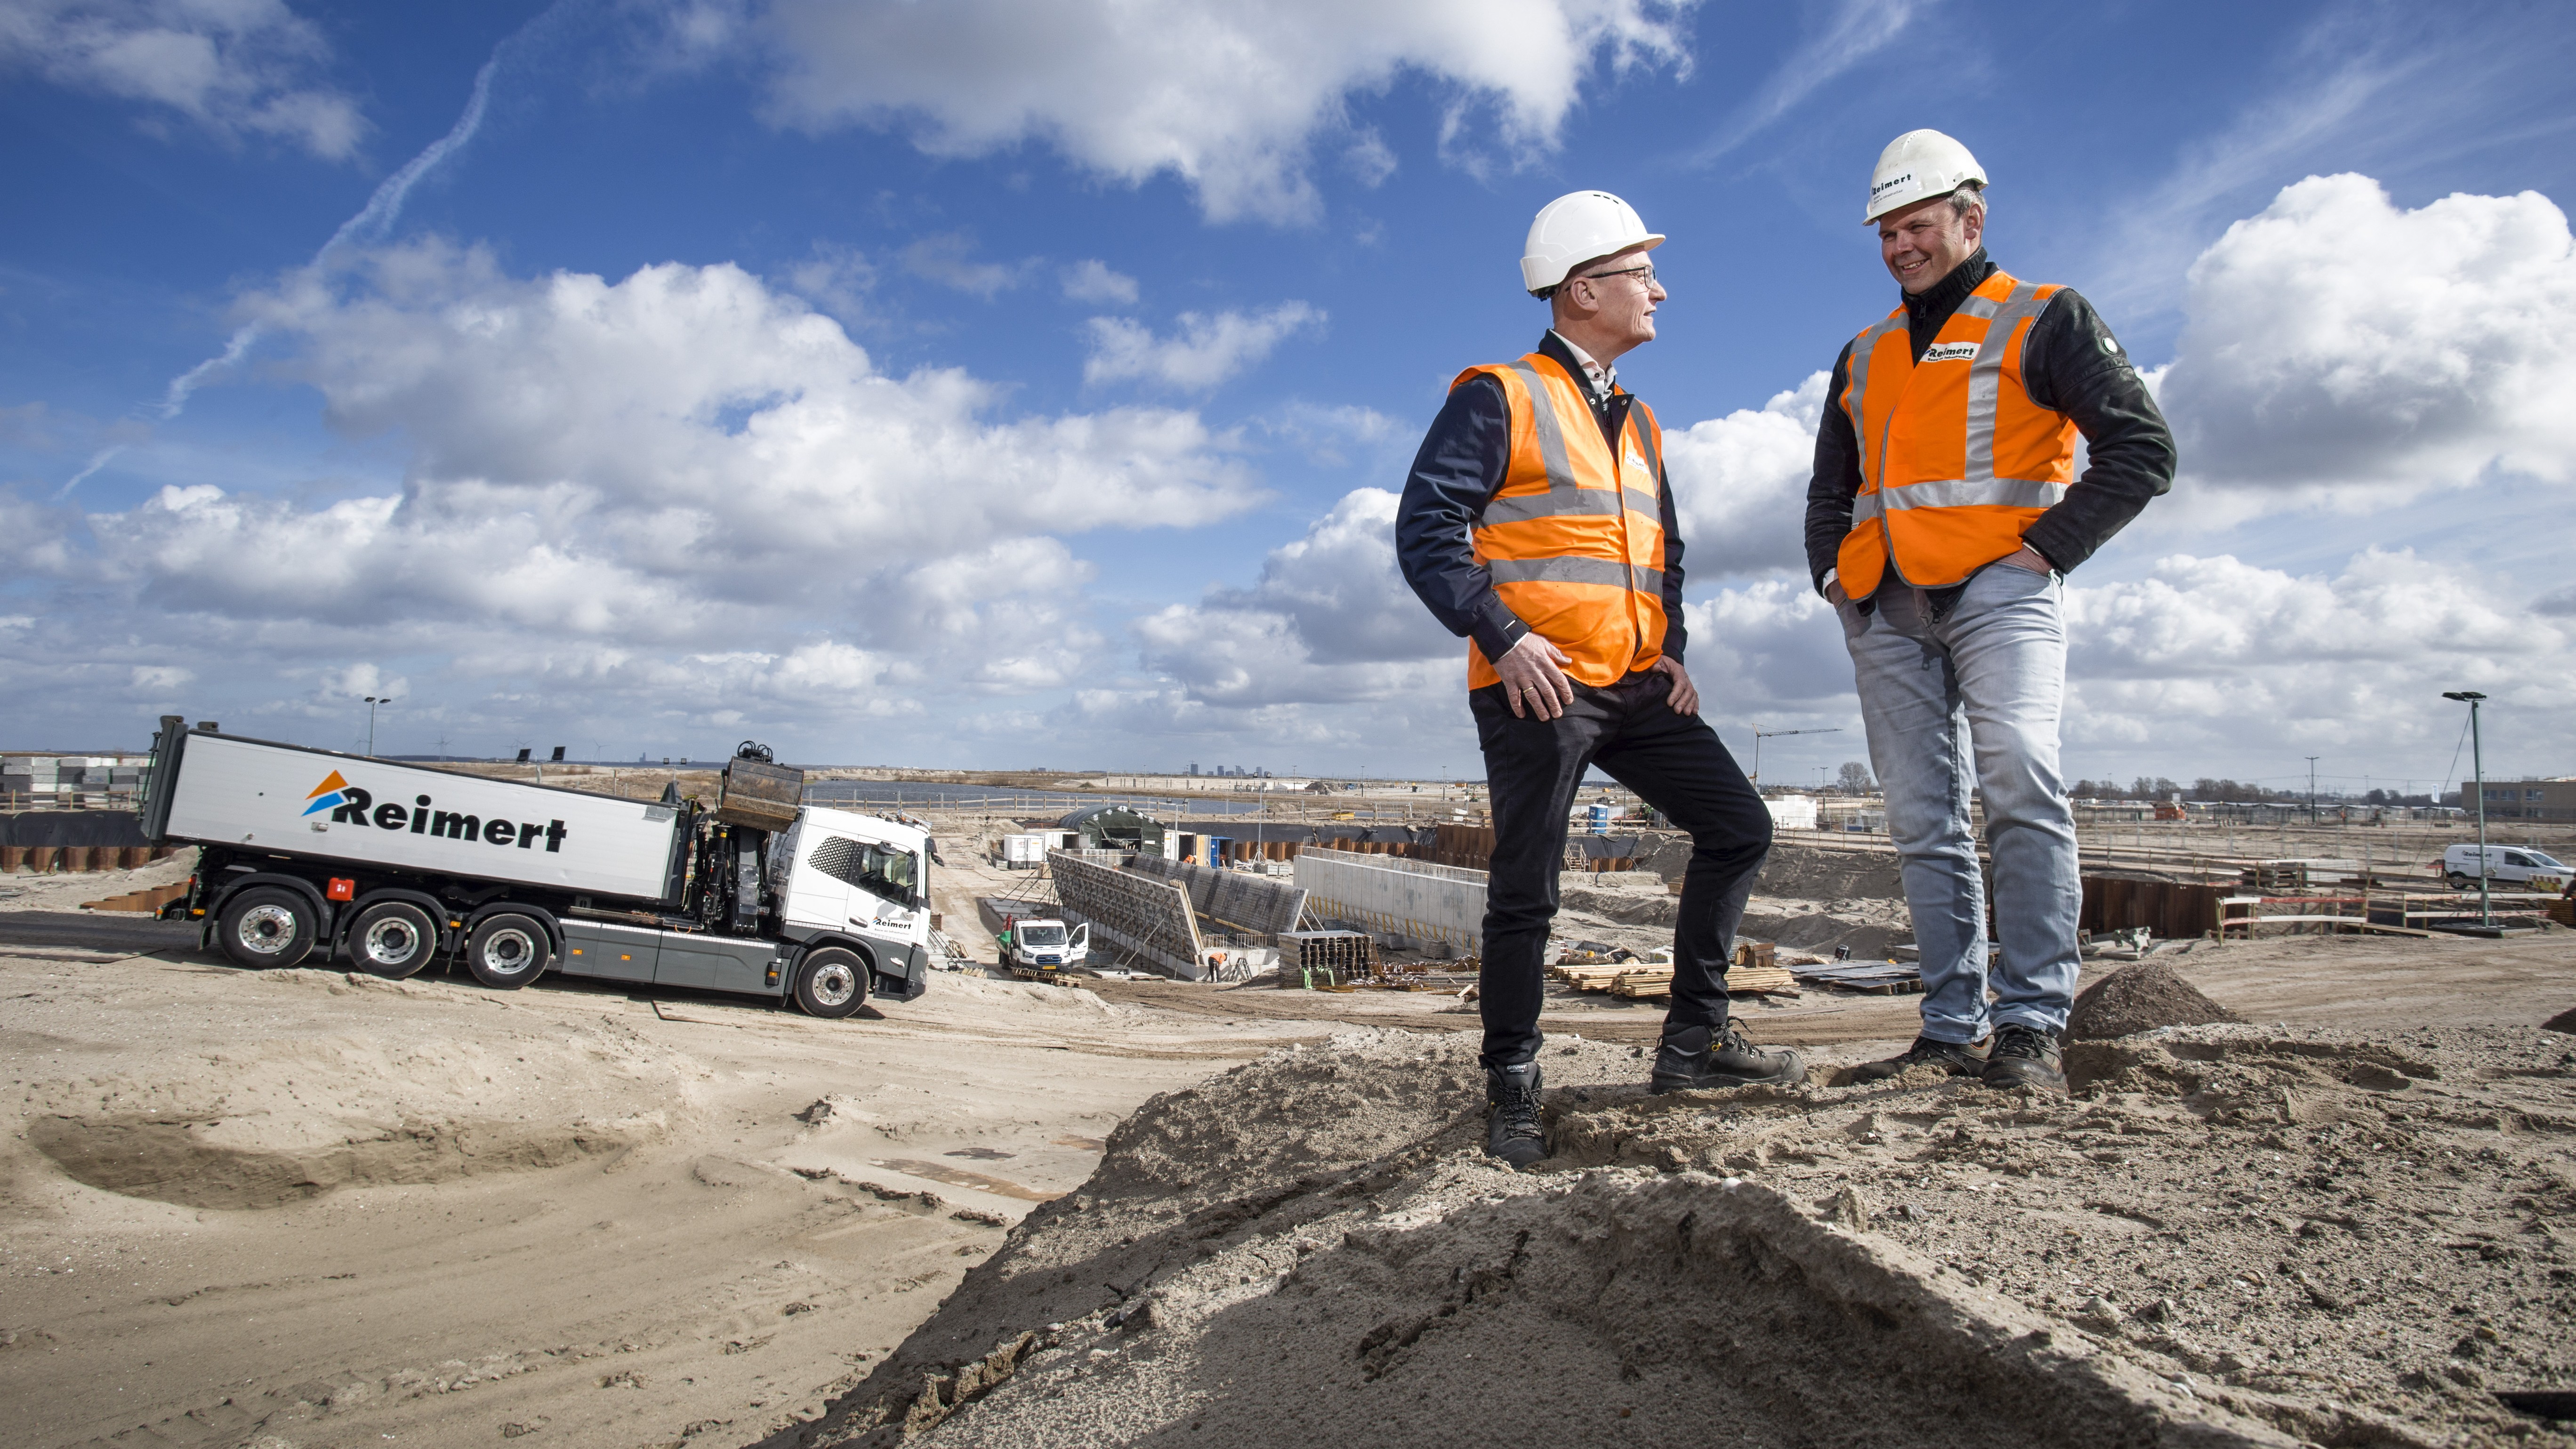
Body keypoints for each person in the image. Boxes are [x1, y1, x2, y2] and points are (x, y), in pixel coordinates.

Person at [1398, 190, 1802, 1170]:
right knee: (1528, 889)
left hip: (1635, 682)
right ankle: (1513, 1082)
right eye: (1642, 274)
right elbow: (1426, 530)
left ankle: (1695, 1039)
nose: (1659, 290)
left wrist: (1673, 648)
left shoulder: (1642, 421)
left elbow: (1665, 553)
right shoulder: (1499, 395)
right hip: (1538, 684)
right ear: (1584, 290)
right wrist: (1504, 637)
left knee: (1740, 826)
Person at [1809, 131, 2176, 1093]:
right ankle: (1948, 1028)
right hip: (1885, 604)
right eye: (1887, 233)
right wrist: (1834, 581)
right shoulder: (1863, 354)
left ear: (1970, 219)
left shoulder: (2043, 316)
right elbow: (1830, 492)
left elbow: (2142, 450)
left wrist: (2045, 551)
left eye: (1918, 227)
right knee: (1921, 820)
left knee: (2021, 784)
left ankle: (2031, 1025)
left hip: (2001, 592)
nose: (1901, 247)